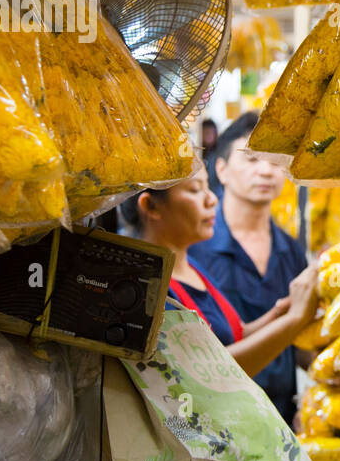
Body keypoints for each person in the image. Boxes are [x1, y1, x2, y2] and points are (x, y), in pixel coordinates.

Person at [121, 170, 318, 421]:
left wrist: (282, 311)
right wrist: (294, 321)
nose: (211, 199)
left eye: (207, 188)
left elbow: (233, 335)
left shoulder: (192, 267)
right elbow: (210, 375)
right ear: (150, 206)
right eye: (195, 190)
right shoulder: (148, 285)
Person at [189, 112, 315, 423]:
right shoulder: (193, 247)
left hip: (278, 422)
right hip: (213, 418)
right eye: (250, 159)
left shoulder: (292, 252)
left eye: (274, 162)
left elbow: (299, 343)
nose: (265, 171)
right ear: (222, 169)